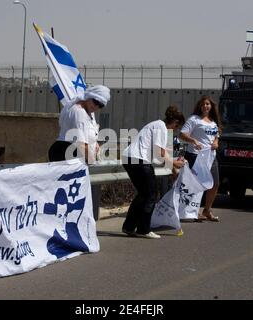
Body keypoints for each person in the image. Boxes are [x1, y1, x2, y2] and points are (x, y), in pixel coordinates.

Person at [121, 106, 186, 239]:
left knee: (143, 194)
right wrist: (175, 164)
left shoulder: (158, 125)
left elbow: (163, 154)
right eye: (177, 127)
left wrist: (173, 169)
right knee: (151, 194)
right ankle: (143, 229)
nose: (176, 130)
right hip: (138, 159)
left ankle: (128, 227)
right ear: (175, 122)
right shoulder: (161, 126)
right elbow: (160, 153)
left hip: (129, 157)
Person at [180, 95, 222, 222]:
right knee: (196, 185)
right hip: (195, 156)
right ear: (199, 106)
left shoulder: (213, 121)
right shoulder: (194, 119)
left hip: (210, 157)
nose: (205, 106)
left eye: (208, 104)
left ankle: (207, 210)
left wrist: (216, 143)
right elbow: (182, 134)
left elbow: (216, 136)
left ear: (211, 106)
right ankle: (194, 211)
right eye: (203, 104)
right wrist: (193, 140)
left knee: (215, 184)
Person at [48, 85, 110, 164]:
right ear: (89, 96)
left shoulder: (89, 111)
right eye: (96, 102)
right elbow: (81, 144)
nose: (96, 106)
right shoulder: (79, 112)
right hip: (67, 154)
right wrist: (92, 162)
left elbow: (88, 134)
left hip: (72, 153)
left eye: (101, 105)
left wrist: (94, 144)